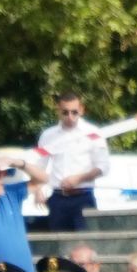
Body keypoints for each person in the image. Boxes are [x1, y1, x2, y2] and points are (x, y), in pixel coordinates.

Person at [36, 92, 109, 232]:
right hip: (57, 198)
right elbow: (39, 166)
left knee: (85, 247)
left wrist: (79, 178)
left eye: (74, 112)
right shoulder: (48, 135)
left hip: (83, 196)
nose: (70, 117)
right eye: (65, 112)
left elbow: (103, 166)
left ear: (81, 110)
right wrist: (38, 190)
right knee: (60, 250)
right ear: (58, 110)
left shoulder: (92, 132)